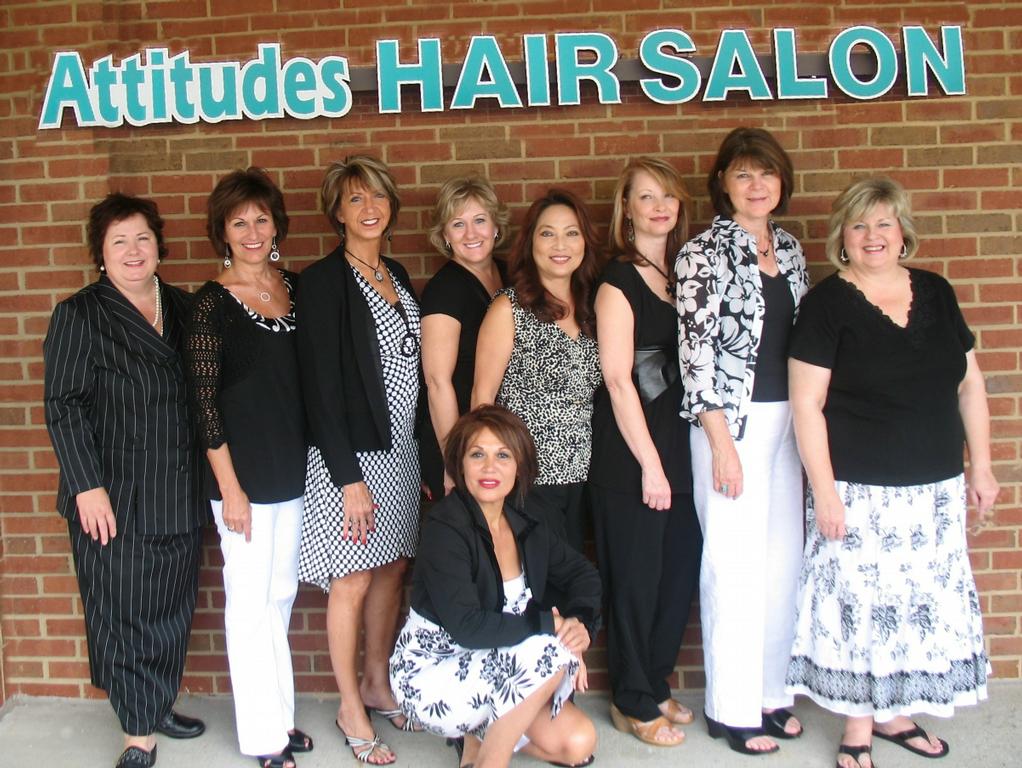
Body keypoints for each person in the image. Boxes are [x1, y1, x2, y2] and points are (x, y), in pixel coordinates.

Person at [785, 177, 998, 768]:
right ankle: (858, 723)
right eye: (859, 225)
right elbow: (806, 405)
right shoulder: (827, 304)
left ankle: (894, 712)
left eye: (883, 223)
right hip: (858, 490)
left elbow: (970, 385)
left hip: (935, 488)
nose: (872, 235)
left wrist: (981, 466)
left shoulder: (936, 291)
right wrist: (824, 491)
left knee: (918, 601)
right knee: (861, 602)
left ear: (902, 232)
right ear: (842, 238)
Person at [43, 193, 208, 768]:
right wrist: (85, 485)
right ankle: (137, 731)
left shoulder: (185, 308)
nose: (133, 251)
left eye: (142, 238)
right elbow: (63, 406)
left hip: (179, 487)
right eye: (119, 241)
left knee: (173, 608)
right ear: (101, 253)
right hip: (112, 495)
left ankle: (156, 703)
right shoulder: (80, 315)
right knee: (124, 613)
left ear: (158, 246)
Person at [676, 127, 809, 755]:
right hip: (729, 425)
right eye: (743, 174)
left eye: (767, 173)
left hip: (789, 426)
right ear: (723, 184)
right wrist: (721, 443)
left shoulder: (791, 248)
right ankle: (731, 708)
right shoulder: (702, 252)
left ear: (782, 182)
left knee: (782, 564)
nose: (757, 185)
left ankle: (771, 693)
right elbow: (694, 354)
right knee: (733, 566)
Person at [390, 405, 601, 768]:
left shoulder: (525, 523)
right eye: (478, 455)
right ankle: (491, 760)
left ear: (519, 466)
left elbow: (584, 576)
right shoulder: (446, 527)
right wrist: (552, 630)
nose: (490, 467)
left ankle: (477, 738)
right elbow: (468, 626)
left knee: (578, 743)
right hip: (434, 673)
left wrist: (578, 625)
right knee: (552, 650)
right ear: (461, 465)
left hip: (500, 666)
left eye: (503, 455)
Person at [296, 155, 421, 765]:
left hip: (401, 453)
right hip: (350, 460)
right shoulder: (322, 282)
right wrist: (347, 479)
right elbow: (320, 388)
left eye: (377, 196)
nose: (369, 208)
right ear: (337, 213)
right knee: (351, 579)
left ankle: (376, 681)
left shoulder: (397, 273)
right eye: (354, 199)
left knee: (392, 569)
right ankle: (350, 706)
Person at [184, 168, 311, 768]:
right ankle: (262, 738)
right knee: (249, 603)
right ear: (223, 232)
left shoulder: (294, 288)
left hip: (293, 470)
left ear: (276, 226)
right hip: (243, 479)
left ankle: (280, 718)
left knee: (281, 594)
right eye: (239, 222)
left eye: (262, 219)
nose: (253, 231)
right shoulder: (210, 304)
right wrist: (229, 488)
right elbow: (203, 405)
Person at [589, 157, 702, 747]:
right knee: (635, 581)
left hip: (682, 448)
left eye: (669, 197)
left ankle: (655, 683)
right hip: (632, 455)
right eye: (646, 197)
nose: (660, 207)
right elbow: (617, 378)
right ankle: (630, 700)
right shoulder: (618, 281)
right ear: (626, 210)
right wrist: (650, 465)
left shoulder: (684, 274)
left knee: (677, 574)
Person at [472, 189, 602, 553]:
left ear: (585, 242)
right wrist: (491, 474)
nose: (560, 244)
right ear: (530, 243)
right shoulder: (509, 308)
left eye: (572, 233)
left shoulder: (592, 308)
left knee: (573, 575)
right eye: (548, 233)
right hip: (527, 479)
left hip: (581, 477)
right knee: (539, 581)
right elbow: (482, 399)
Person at [421, 175, 510, 500]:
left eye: (480, 220)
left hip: (501, 438)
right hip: (460, 441)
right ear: (445, 235)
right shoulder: (445, 290)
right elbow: (437, 382)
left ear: (495, 226)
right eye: (458, 224)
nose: (471, 234)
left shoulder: (510, 274)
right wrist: (455, 460)